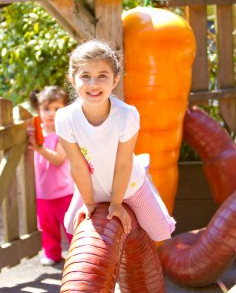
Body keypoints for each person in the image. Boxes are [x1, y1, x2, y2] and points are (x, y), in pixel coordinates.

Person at [55, 40, 176, 241]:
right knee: (70, 225)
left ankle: (144, 172)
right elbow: (77, 165)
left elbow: (123, 163)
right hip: (92, 185)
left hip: (129, 182)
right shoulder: (65, 118)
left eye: (102, 76)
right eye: (85, 76)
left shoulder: (126, 115)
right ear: (72, 79)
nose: (93, 84)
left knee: (161, 232)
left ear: (115, 80)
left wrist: (117, 204)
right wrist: (88, 203)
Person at [28, 86, 74, 266]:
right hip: (43, 192)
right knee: (47, 227)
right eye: (46, 109)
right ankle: (52, 253)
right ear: (38, 110)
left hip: (64, 191)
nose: (51, 113)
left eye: (57, 109)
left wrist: (39, 148)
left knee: (70, 226)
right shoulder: (37, 130)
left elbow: (58, 159)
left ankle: (78, 255)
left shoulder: (63, 133)